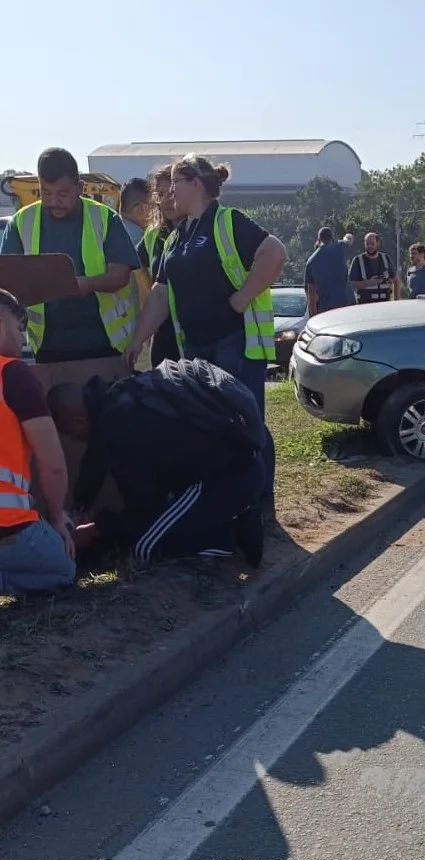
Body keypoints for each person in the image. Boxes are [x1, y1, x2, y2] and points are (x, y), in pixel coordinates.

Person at [123, 153, 287, 518]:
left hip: (235, 343)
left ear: (195, 184)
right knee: (214, 427)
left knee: (246, 423)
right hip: (196, 350)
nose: (168, 195)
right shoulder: (177, 236)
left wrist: (242, 298)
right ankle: (229, 501)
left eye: (175, 185)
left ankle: (260, 503)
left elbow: (274, 253)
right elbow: (162, 294)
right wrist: (138, 340)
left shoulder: (228, 221)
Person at [47, 359, 266, 567]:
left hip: (226, 478)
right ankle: (231, 513)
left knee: (146, 545)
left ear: (79, 421)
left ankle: (234, 534)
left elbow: (144, 509)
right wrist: (81, 505)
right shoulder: (116, 396)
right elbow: (95, 458)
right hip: (237, 463)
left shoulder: (119, 433)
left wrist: (99, 528)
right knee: (159, 524)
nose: (71, 439)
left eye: (68, 433)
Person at [0, 148, 142, 364]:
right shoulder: (21, 223)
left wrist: (85, 284)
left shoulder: (105, 218)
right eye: (46, 193)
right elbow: (6, 282)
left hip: (106, 345)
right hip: (48, 348)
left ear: (80, 188)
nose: (53, 201)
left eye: (62, 194)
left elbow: (120, 275)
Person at [0, 287, 76, 594]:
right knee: (65, 567)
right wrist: (57, 518)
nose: (21, 339)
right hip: (9, 531)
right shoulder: (13, 374)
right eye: (19, 329)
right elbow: (53, 464)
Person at [135, 165, 184, 366]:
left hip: (197, 331)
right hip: (163, 331)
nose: (165, 201)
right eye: (160, 194)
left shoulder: (202, 230)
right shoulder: (153, 235)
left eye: (171, 193)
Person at [304, 226, 356, 316]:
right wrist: (345, 237)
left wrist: (313, 317)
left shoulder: (311, 261)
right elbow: (349, 239)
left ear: (319, 239)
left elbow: (310, 293)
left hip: (326, 308)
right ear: (332, 237)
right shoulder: (339, 246)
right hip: (347, 303)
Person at [349, 233, 402, 304]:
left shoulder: (385, 259)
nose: (370, 246)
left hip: (384, 305)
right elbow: (350, 284)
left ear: (378, 243)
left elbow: (396, 280)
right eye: (367, 244)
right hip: (365, 305)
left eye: (372, 244)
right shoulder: (358, 261)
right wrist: (368, 283)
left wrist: (396, 302)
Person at [119, 177, 153, 246]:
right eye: (154, 206)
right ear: (141, 209)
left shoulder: (111, 229)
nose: (158, 212)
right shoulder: (139, 240)